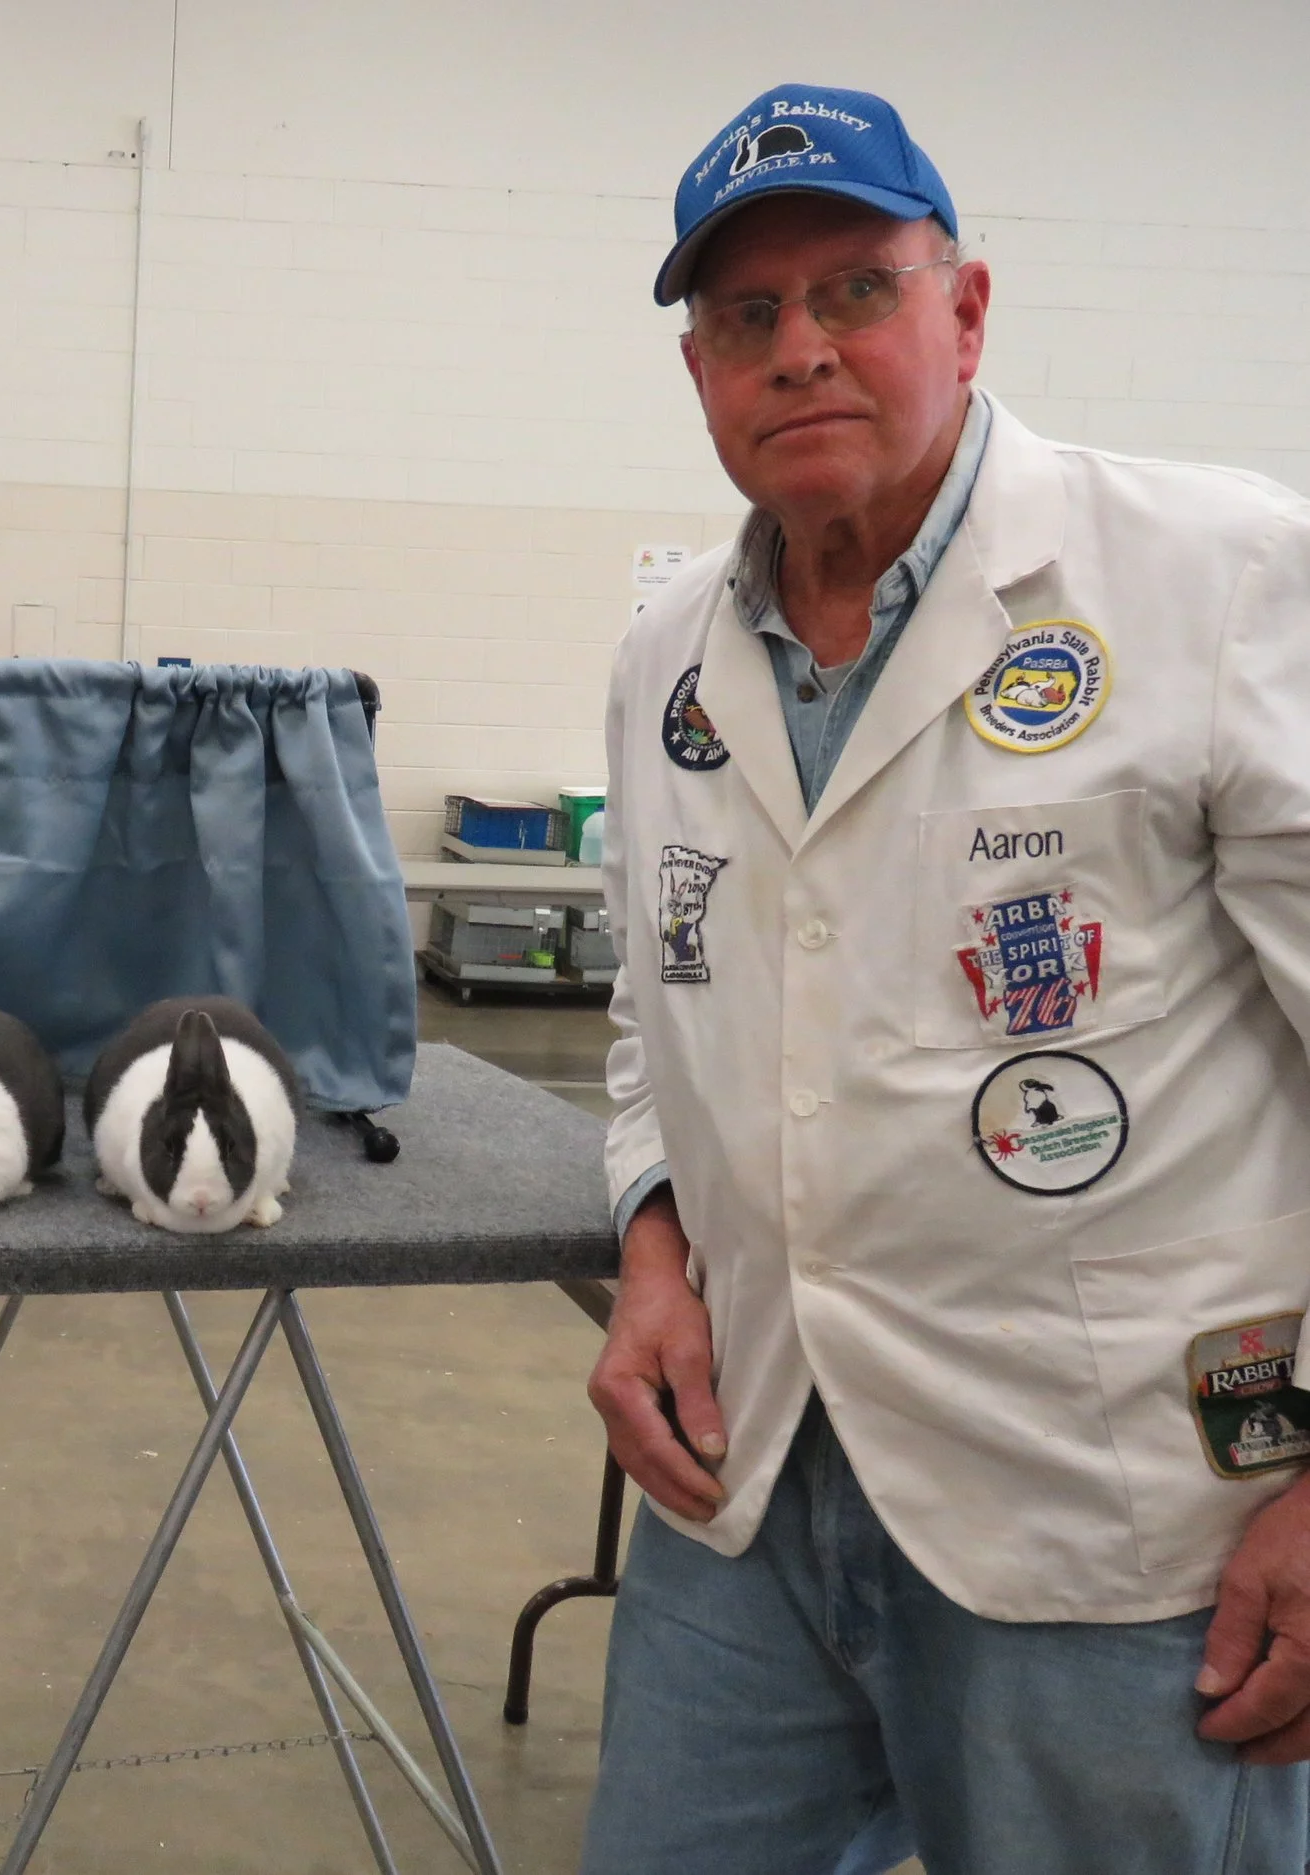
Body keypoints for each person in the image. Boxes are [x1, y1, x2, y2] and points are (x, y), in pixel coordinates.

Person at [585, 81, 1310, 1873]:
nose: (801, 349)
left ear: (964, 310)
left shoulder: (1217, 584)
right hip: (745, 1483)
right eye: (747, 316)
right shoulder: (669, 656)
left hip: (1109, 1518)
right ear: (699, 373)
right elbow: (653, 1005)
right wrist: (657, 1243)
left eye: (856, 292)